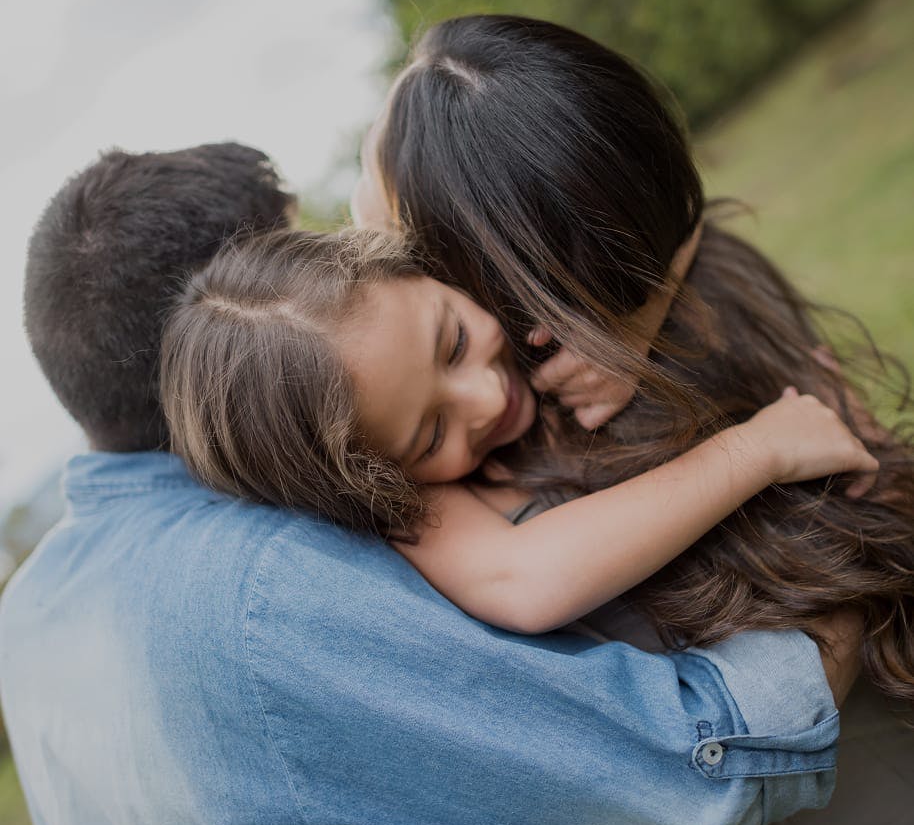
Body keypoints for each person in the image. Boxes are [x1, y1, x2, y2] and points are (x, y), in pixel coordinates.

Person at [0, 144, 857, 825]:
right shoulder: (269, 587)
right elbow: (704, 767)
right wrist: (847, 525)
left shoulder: (30, 620)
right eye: (300, 243)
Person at [353, 15, 914, 825]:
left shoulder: (475, 461)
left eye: (376, 183)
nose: (362, 212)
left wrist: (637, 314)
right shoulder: (710, 285)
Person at [160, 227, 877, 642]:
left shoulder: (458, 245)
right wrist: (761, 448)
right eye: (430, 434)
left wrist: (639, 317)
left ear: (415, 263)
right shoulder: (412, 506)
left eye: (452, 342)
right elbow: (524, 581)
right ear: (374, 478)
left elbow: (671, 208)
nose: (486, 395)